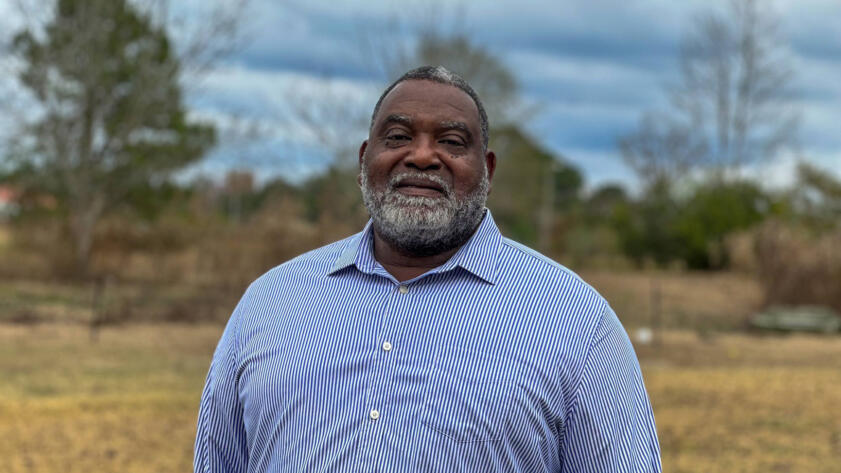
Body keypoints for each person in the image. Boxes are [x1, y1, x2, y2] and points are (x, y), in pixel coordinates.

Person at [194, 65, 661, 472]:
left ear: (488, 171)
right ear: (364, 161)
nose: (420, 156)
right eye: (397, 137)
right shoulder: (270, 302)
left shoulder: (577, 323)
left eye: (451, 141)